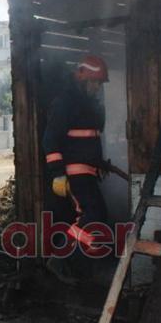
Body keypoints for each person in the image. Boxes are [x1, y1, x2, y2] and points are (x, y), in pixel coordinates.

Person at [42, 54, 109, 282]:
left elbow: (88, 140)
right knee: (92, 215)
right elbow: (49, 140)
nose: (98, 87)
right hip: (74, 174)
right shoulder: (65, 103)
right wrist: (58, 174)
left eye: (100, 83)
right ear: (82, 80)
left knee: (97, 218)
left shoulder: (86, 104)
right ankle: (61, 260)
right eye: (95, 82)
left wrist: (99, 164)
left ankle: (77, 266)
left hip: (87, 173)